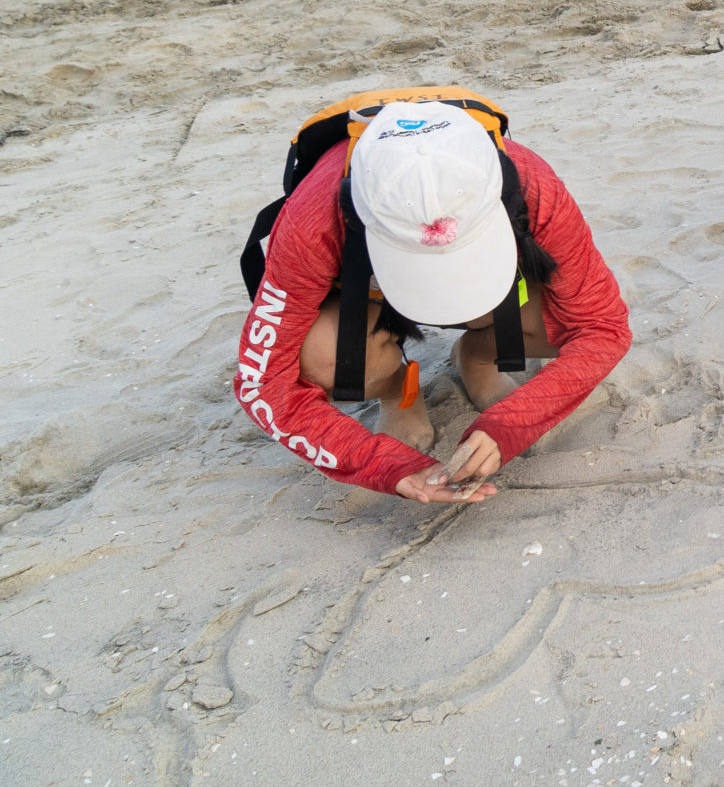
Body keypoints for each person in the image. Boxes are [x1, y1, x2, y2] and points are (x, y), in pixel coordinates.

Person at [233, 94, 632, 504]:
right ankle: (397, 392)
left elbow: (604, 327)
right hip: (363, 291)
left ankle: (477, 356)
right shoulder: (312, 220)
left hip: (495, 291)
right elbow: (263, 381)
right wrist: (383, 465)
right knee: (321, 356)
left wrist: (510, 425)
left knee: (564, 321)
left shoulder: (532, 183)